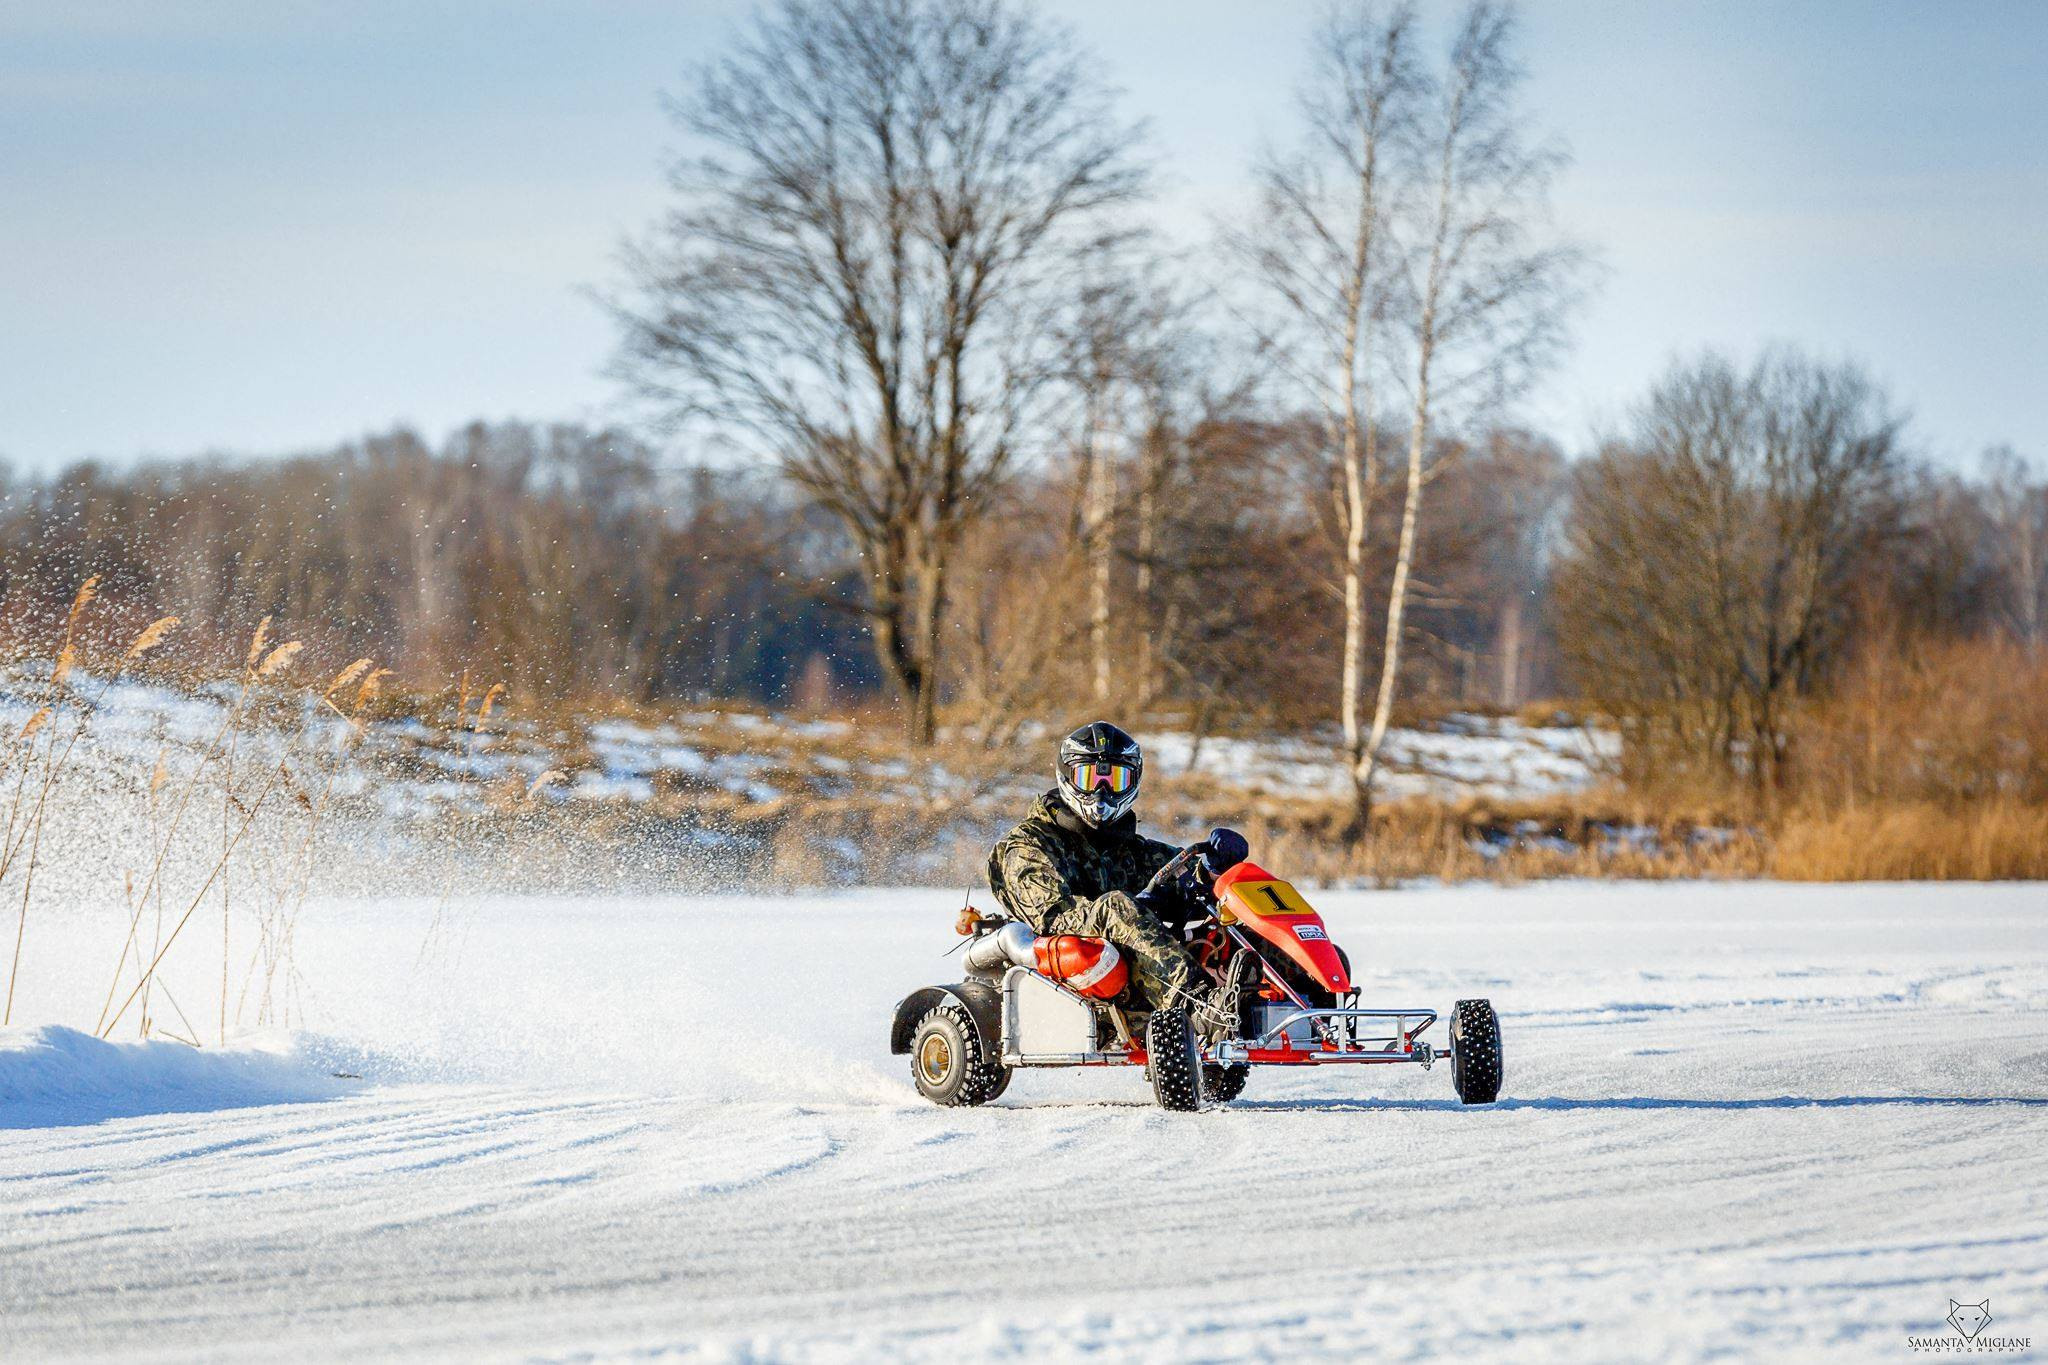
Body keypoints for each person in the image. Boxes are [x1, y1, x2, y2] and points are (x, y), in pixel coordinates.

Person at [986, 720, 1256, 1036]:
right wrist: (1130, 909)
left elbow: (1183, 876)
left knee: (1233, 900)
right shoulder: (1028, 844)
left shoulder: (1127, 849)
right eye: (1089, 777)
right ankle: (1197, 1007)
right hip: (1057, 952)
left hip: (1122, 956)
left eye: (1114, 779)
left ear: (1132, 783)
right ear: (1067, 777)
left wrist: (1214, 870)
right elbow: (1053, 916)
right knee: (1116, 907)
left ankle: (1303, 992)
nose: (1101, 791)